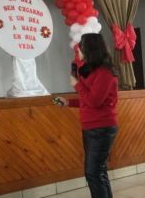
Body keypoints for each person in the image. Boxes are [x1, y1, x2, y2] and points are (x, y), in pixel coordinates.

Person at [55, 33, 118, 198]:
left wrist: (76, 85)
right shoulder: (92, 71)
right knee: (99, 172)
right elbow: (88, 99)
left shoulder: (104, 73)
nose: (78, 53)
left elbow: (95, 101)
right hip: (91, 127)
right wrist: (68, 102)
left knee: (93, 173)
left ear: (89, 50)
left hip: (101, 128)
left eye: (80, 49)